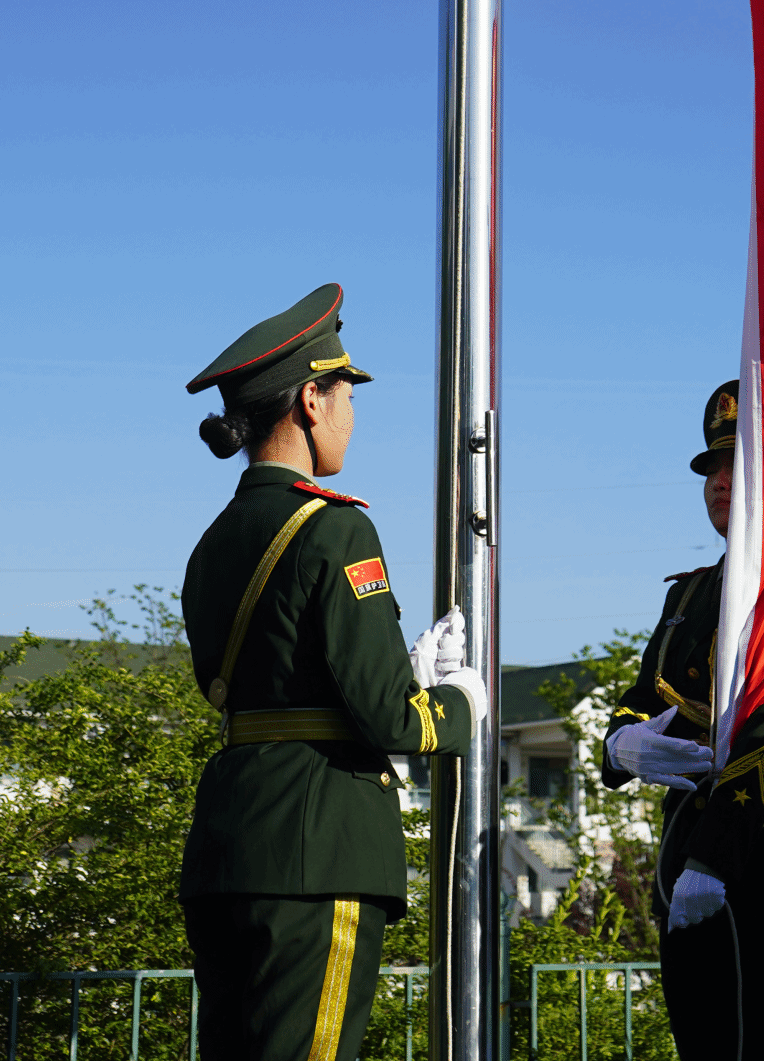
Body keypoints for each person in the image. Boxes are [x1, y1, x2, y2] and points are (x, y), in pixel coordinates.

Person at [178, 282, 486, 1061]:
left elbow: (263, 681)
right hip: (319, 849)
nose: (351, 414)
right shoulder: (336, 528)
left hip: (227, 847)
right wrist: (456, 701)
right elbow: (390, 717)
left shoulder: (213, 541)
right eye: (346, 394)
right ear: (311, 400)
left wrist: (390, 669)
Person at [600, 380, 764, 1060]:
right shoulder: (691, 594)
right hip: (686, 851)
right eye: (711, 468)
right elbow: (642, 697)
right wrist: (623, 745)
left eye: (737, 464)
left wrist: (714, 857)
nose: (719, 481)